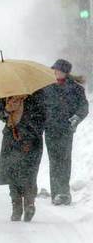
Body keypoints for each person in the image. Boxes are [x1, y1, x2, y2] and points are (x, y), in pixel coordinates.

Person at [0, 91, 45, 222]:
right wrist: (6, 112)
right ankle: (16, 206)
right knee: (12, 173)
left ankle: (29, 203)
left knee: (29, 173)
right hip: (11, 138)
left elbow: (42, 117)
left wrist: (28, 135)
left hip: (32, 140)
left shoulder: (36, 94)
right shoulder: (6, 95)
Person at [44, 59, 89, 206]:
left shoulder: (76, 89)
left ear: (65, 72)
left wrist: (76, 118)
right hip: (50, 130)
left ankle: (64, 192)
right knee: (54, 161)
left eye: (58, 70)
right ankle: (56, 193)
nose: (56, 72)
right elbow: (40, 108)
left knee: (64, 161)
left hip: (66, 130)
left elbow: (83, 108)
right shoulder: (47, 88)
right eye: (54, 70)